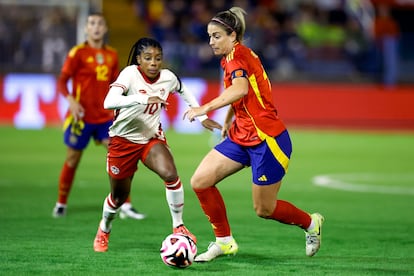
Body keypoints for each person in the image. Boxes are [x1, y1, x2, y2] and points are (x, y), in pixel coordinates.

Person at [183, 7, 324, 262]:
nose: (211, 42)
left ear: (232, 35)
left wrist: (204, 108)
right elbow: (240, 95)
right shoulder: (231, 56)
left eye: (216, 36)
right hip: (241, 134)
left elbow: (239, 89)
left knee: (264, 209)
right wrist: (228, 120)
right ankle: (224, 242)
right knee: (200, 181)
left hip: (267, 139)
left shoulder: (236, 59)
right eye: (209, 36)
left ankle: (310, 223)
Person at [92, 37, 222, 252]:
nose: (154, 63)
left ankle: (178, 226)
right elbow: (109, 101)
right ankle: (104, 229)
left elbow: (184, 91)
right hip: (122, 142)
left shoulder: (168, 77)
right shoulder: (130, 74)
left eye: (158, 58)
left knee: (170, 174)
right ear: (138, 60)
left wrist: (201, 117)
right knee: (118, 197)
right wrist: (143, 99)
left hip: (150, 139)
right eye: (148, 58)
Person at [52, 13, 145, 220]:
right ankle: (61, 203)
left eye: (100, 24)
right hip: (81, 118)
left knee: (122, 158)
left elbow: (116, 86)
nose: (96, 27)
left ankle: (126, 205)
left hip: (105, 118)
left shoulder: (111, 55)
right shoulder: (77, 53)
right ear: (86, 28)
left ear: (105, 29)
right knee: (72, 160)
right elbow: (62, 81)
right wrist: (71, 101)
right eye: (92, 23)